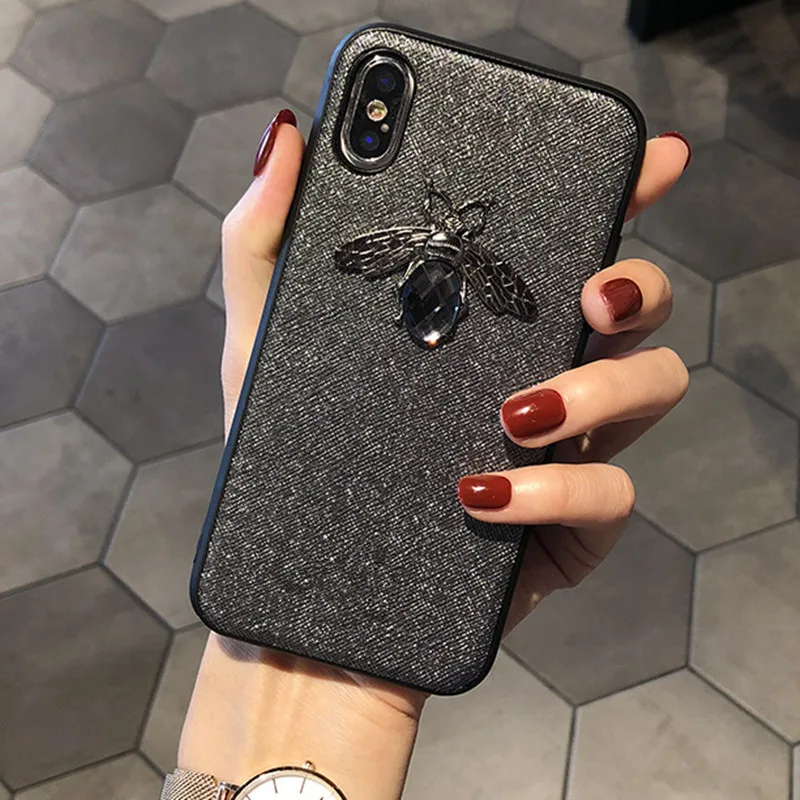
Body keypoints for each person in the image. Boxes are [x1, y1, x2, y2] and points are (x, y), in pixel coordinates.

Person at [173, 111, 692, 799]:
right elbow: (375, 260)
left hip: (432, 297)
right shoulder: (450, 253)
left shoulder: (426, 243)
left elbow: (381, 261)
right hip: (433, 297)